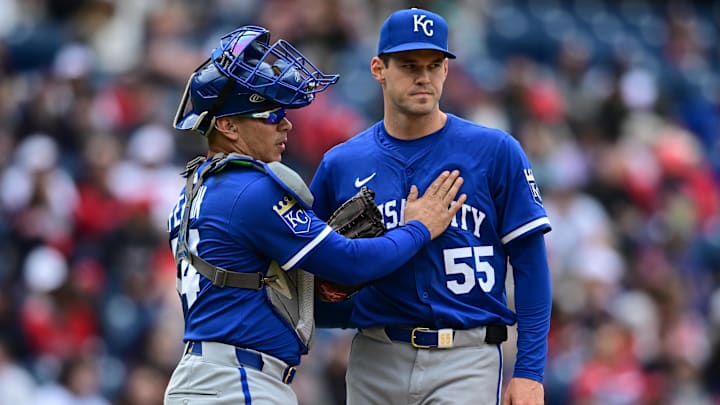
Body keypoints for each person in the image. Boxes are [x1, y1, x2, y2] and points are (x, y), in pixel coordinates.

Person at [163, 25, 467, 405]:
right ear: (227, 126)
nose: (286, 123)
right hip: (236, 383)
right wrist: (419, 227)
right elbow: (350, 263)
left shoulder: (195, 188)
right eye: (270, 113)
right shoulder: (249, 189)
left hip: (210, 376)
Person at [310, 8, 553, 405]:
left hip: (465, 355)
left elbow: (531, 266)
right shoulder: (342, 164)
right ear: (378, 69)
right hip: (376, 355)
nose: (424, 76)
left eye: (434, 64)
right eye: (408, 65)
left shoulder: (494, 151)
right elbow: (311, 275)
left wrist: (529, 372)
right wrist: (341, 310)